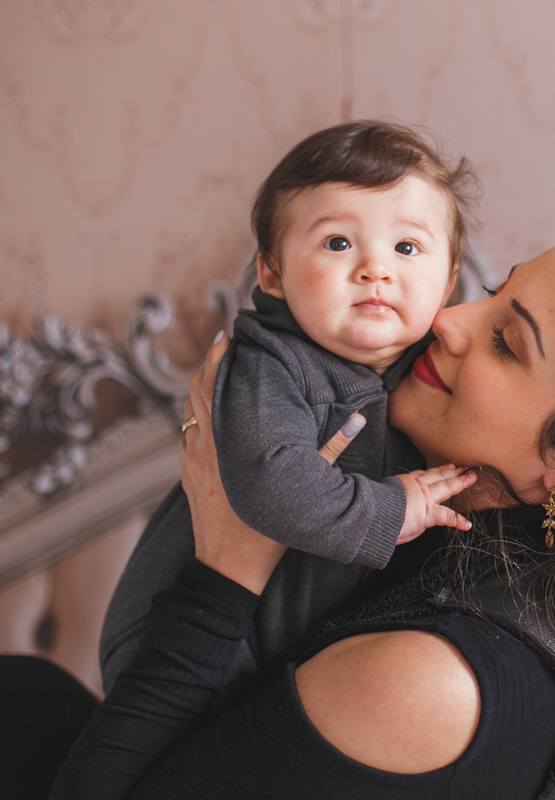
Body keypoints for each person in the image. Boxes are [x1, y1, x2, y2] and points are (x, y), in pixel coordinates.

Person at [0, 223, 555, 800]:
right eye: (494, 288)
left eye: (508, 343)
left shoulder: (433, 682)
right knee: (6, 703)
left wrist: (230, 564)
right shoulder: (491, 543)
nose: (450, 317)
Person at [193, 121, 478, 691]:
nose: (376, 269)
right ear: (271, 272)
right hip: (204, 643)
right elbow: (270, 480)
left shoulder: (436, 370)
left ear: (446, 284)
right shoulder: (269, 362)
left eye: (406, 247)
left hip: (301, 656)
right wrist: (393, 510)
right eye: (338, 243)